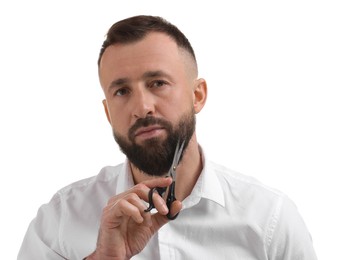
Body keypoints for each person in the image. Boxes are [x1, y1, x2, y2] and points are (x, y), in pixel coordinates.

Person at [18, 15, 317, 260]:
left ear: (197, 96)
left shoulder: (270, 220)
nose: (142, 107)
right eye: (122, 91)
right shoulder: (59, 221)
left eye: (158, 83)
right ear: (108, 114)